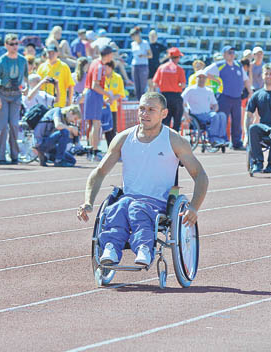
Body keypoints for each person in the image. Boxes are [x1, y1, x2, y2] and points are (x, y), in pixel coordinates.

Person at [77, 92, 208, 267]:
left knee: (137, 208)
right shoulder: (123, 138)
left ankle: (144, 248)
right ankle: (110, 247)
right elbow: (100, 172)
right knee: (117, 208)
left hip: (158, 202)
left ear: (164, 113)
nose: (144, 114)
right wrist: (88, 201)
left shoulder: (175, 140)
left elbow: (200, 175)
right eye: (141, 109)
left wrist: (194, 207)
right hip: (128, 199)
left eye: (151, 110)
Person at [0, 33, 29, 165]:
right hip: (3, 94)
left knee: (14, 125)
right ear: (6, 45)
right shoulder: (1, 61)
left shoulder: (23, 60)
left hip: (16, 95)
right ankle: (0, 156)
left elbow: (26, 78)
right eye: (11, 44)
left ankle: (15, 155)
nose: (14, 46)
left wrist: (26, 87)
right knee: (2, 126)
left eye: (16, 44)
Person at [205, 45, 249, 150]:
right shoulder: (219, 65)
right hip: (224, 96)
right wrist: (216, 79)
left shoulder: (238, 65)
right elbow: (205, 73)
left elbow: (245, 79)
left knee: (237, 120)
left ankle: (236, 143)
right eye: (229, 52)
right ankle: (222, 141)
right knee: (223, 120)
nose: (232, 54)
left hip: (237, 97)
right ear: (224, 54)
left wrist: (250, 91)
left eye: (233, 52)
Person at [83, 44, 115, 161]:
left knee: (93, 124)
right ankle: (95, 151)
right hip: (94, 94)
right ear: (108, 55)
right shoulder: (100, 66)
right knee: (96, 124)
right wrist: (108, 94)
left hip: (91, 94)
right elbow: (95, 85)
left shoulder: (94, 62)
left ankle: (92, 150)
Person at [181, 69, 228, 146]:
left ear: (206, 79)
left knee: (222, 115)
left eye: (204, 77)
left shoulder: (209, 90)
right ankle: (213, 140)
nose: (202, 79)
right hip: (196, 115)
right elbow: (181, 102)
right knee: (215, 116)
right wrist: (186, 114)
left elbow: (215, 104)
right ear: (196, 78)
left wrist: (214, 111)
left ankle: (222, 139)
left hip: (208, 114)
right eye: (200, 77)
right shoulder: (190, 90)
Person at [153, 47, 186, 132]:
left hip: (164, 97)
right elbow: (182, 85)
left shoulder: (161, 68)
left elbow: (155, 84)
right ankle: (174, 141)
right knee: (177, 122)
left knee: (165, 121)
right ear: (177, 57)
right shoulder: (179, 69)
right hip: (176, 97)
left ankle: (163, 141)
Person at [103, 60, 125, 147]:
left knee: (112, 130)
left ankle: (112, 149)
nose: (104, 68)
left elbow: (121, 93)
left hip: (112, 108)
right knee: (104, 129)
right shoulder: (100, 77)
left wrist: (112, 98)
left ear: (111, 67)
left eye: (106, 67)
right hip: (102, 107)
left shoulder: (118, 77)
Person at [129, 27, 151, 101]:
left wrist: (143, 55)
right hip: (135, 65)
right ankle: (138, 101)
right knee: (136, 86)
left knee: (142, 86)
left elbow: (150, 55)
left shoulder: (145, 43)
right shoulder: (133, 44)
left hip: (143, 65)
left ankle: (143, 101)